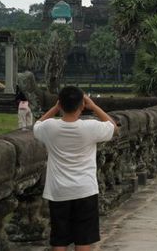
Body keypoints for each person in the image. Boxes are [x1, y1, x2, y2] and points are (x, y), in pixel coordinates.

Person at [33, 87, 117, 251]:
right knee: (83, 240)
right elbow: (114, 127)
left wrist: (55, 108)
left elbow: (37, 125)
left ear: (61, 104)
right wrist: (94, 106)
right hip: (84, 189)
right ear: (82, 105)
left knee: (59, 240)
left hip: (58, 191)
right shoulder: (90, 127)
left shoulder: (50, 128)